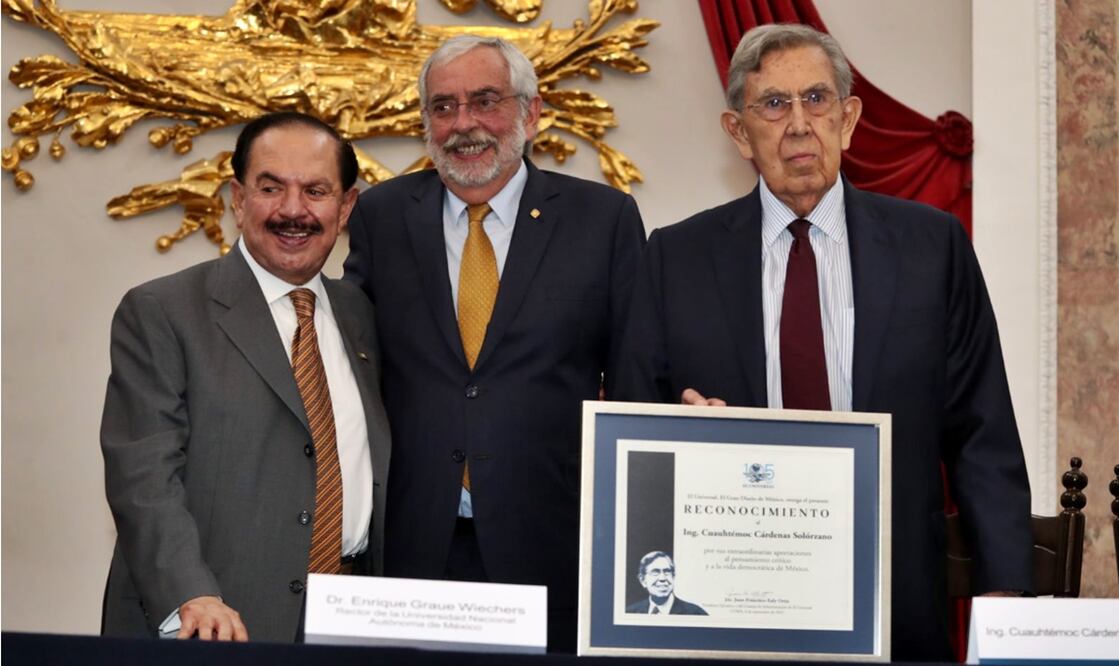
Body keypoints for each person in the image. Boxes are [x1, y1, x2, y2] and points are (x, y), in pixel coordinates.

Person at [614, 24, 1032, 661]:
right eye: (774, 105)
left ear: (849, 118)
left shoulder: (932, 247)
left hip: (897, 603)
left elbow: (984, 432)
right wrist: (685, 437)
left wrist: (1004, 598)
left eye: (817, 99)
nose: (799, 124)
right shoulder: (676, 257)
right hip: (729, 612)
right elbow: (634, 440)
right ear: (738, 132)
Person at [343, 34, 646, 652]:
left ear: (530, 114)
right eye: (444, 107)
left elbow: (636, 378)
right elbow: (352, 358)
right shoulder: (382, 215)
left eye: (485, 101)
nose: (464, 124)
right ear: (425, 122)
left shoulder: (603, 219)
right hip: (411, 541)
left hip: (552, 541)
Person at [99, 112, 391, 642]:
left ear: (345, 207)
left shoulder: (365, 318)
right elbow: (143, 477)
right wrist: (192, 593)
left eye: (316, 191)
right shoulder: (162, 311)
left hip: (349, 624)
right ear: (237, 198)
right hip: (213, 623)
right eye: (271, 187)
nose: (293, 210)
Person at [625, 551, 707, 615]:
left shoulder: (696, 613)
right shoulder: (630, 612)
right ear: (643, 580)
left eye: (667, 572)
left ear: (673, 577)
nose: (662, 578)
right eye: (655, 572)